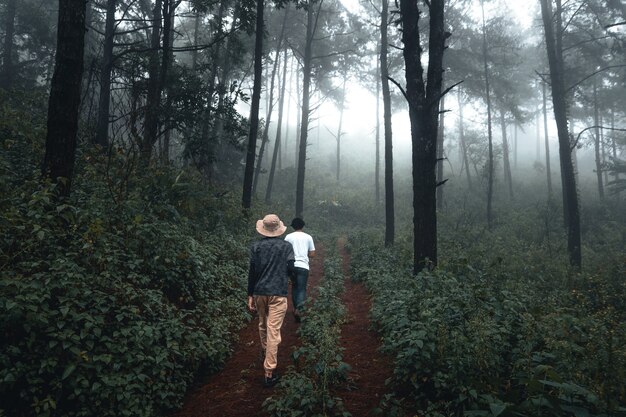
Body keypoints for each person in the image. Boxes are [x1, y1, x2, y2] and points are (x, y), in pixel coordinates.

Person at [247, 214, 295, 388]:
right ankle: (269, 371)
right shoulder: (286, 247)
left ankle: (266, 352)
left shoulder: (256, 247)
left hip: (260, 292)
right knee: (273, 330)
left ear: (264, 229)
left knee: (262, 325)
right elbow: (291, 268)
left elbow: (252, 272)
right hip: (278, 293)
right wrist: (288, 277)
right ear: (278, 229)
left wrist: (250, 294)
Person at [284, 217, 316, 323]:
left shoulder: (288, 237)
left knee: (294, 287)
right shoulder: (308, 237)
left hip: (291, 265)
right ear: (303, 226)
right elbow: (312, 254)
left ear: (293, 227)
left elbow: (284, 251)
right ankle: (299, 309)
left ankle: (295, 308)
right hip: (303, 266)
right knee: (302, 289)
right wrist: (304, 254)